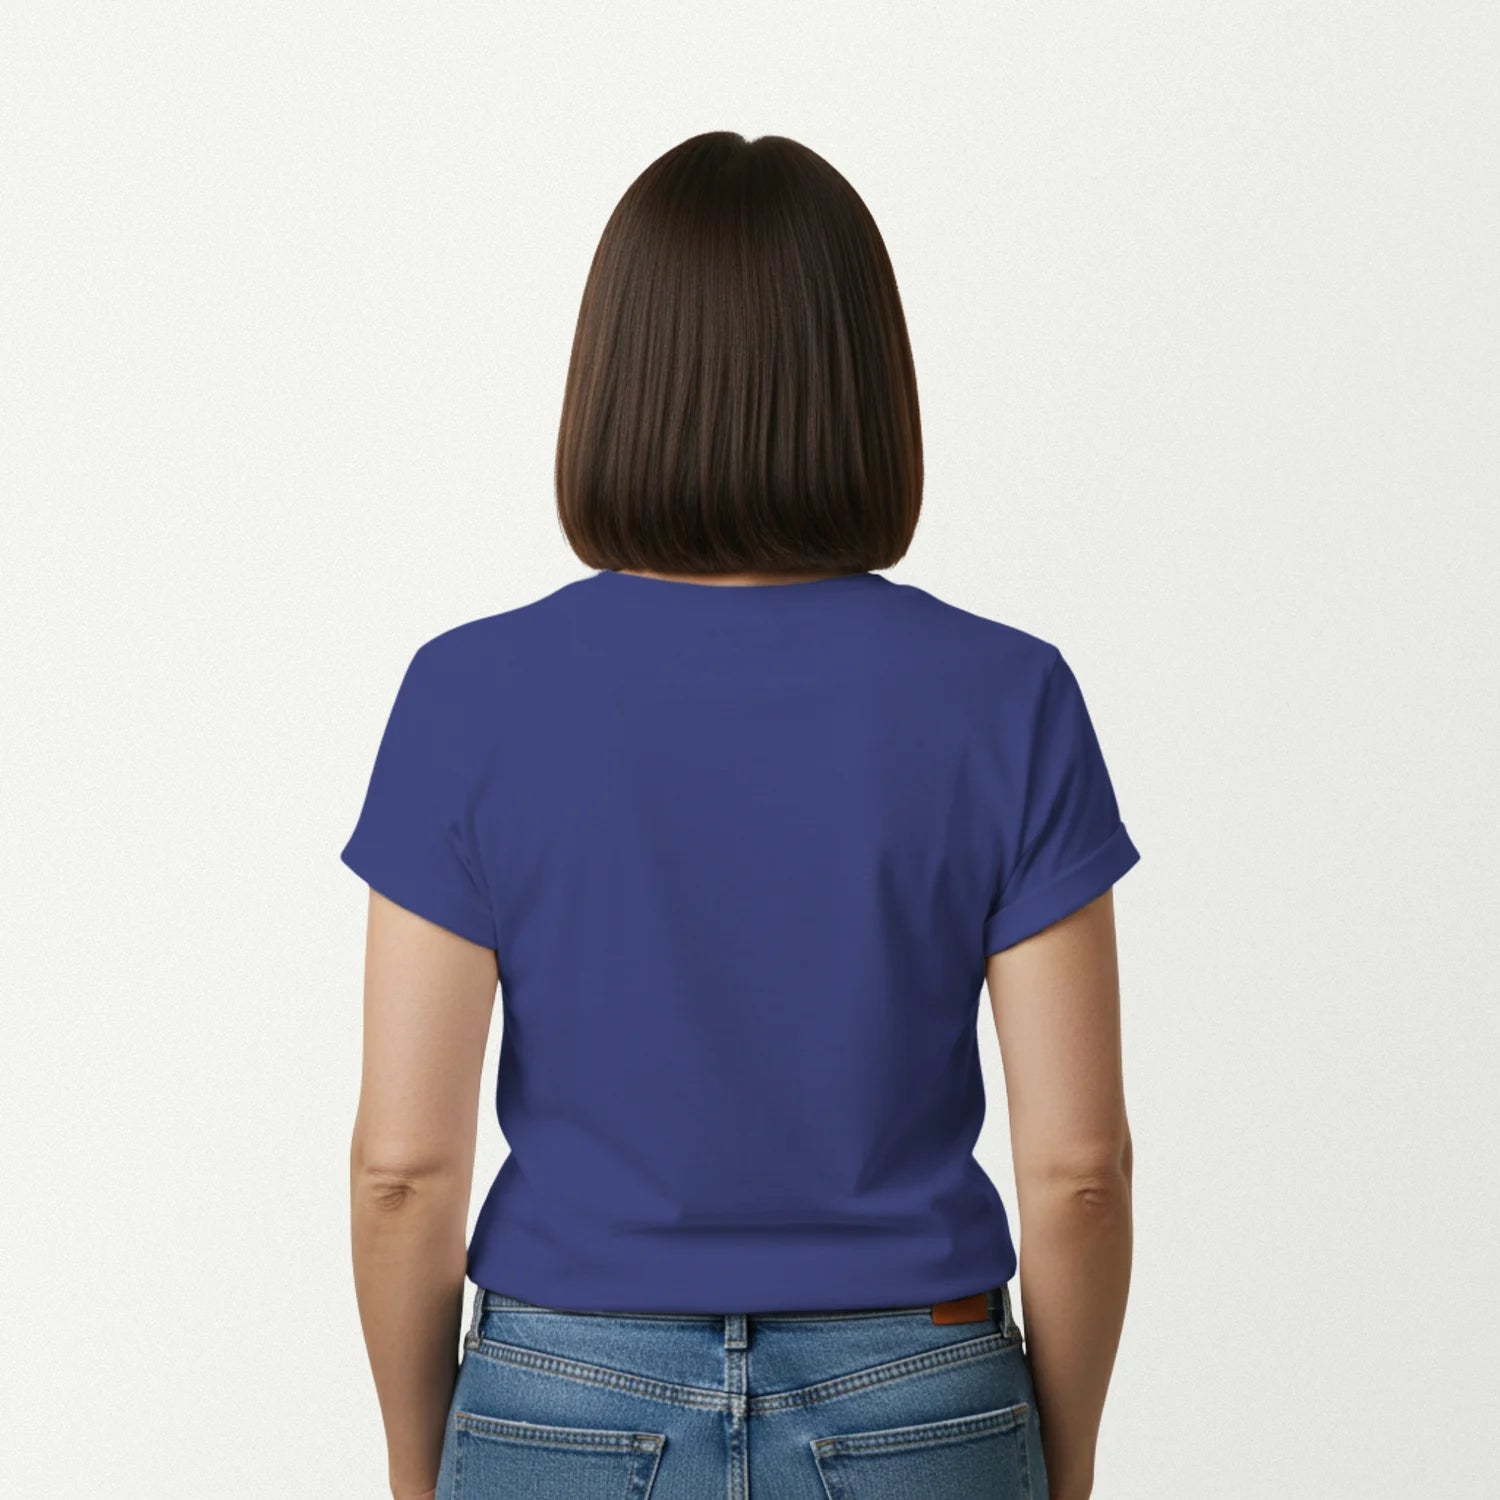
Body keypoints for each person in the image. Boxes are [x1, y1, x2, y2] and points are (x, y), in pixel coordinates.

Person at [340, 130, 1141, 1500]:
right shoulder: (1007, 698)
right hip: (920, 1394)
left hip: (563, 1392)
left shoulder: (469, 696)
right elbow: (1079, 1172)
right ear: (869, 389)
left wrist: (425, 1469)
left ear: (614, 382)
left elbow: (403, 1170)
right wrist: (1049, 1467)